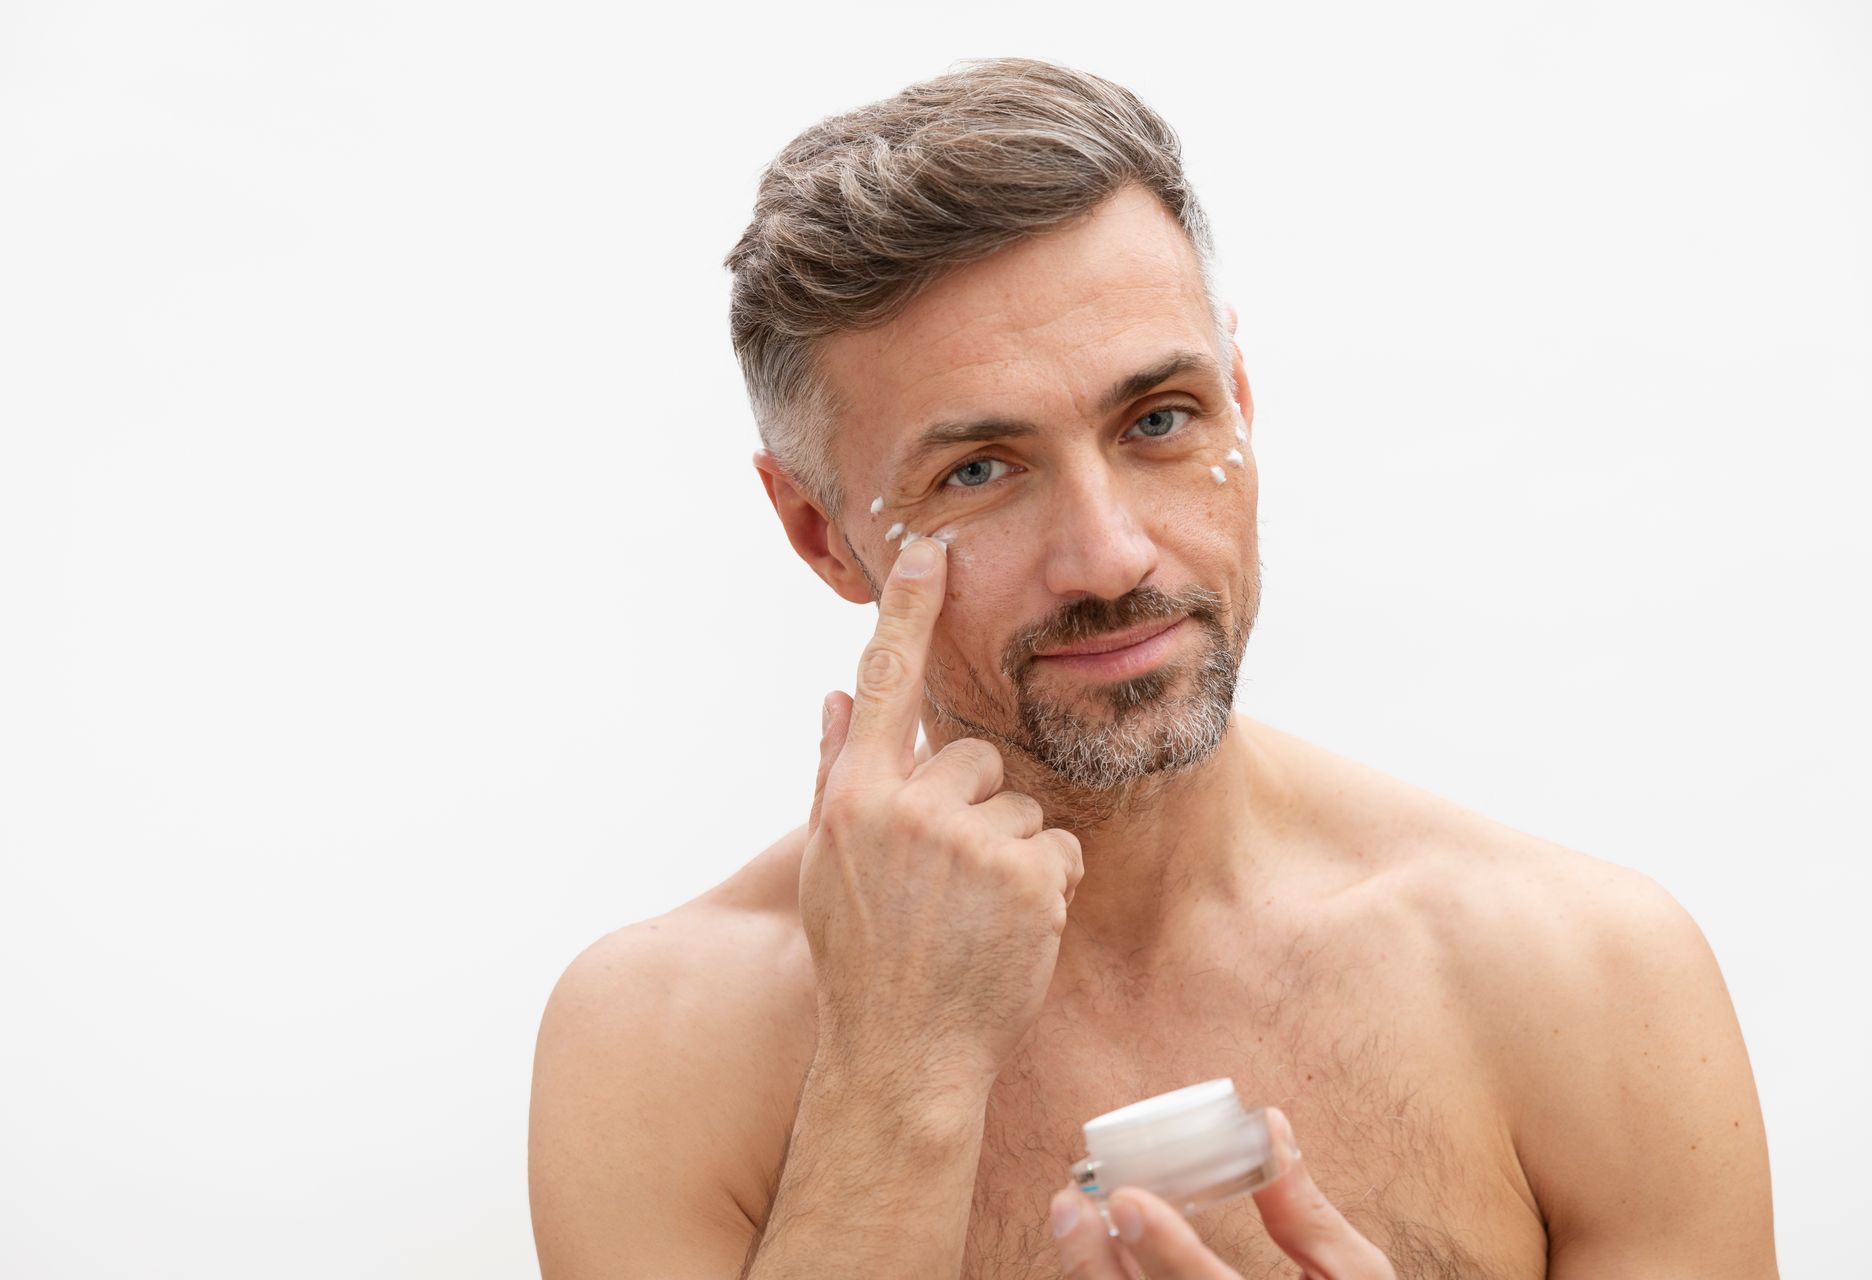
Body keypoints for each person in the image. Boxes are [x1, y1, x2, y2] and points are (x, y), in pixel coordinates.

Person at [527, 57, 1777, 1279]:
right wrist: (896, 1075)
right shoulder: (658, 1046)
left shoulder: (1587, 976)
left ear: (1237, 396)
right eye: (978, 470)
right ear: (818, 532)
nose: (1110, 556)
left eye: (1160, 420)